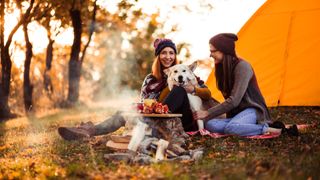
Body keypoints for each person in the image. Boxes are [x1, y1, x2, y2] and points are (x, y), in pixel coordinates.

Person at [58, 38, 212, 141]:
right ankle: (89, 131)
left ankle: (146, 129)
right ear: (157, 57)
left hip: (182, 120)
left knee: (178, 91)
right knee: (126, 110)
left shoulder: (184, 73)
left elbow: (206, 93)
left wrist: (191, 88)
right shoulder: (150, 79)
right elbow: (147, 103)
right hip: (156, 118)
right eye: (163, 53)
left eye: (171, 53)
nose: (168, 57)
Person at [193, 33, 282, 136]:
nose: (210, 55)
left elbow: (234, 101)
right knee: (210, 124)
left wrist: (207, 112)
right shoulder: (222, 68)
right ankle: (240, 127)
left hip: (253, 110)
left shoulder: (242, 67)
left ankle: (269, 129)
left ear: (224, 50)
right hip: (237, 115)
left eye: (213, 51)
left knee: (232, 128)